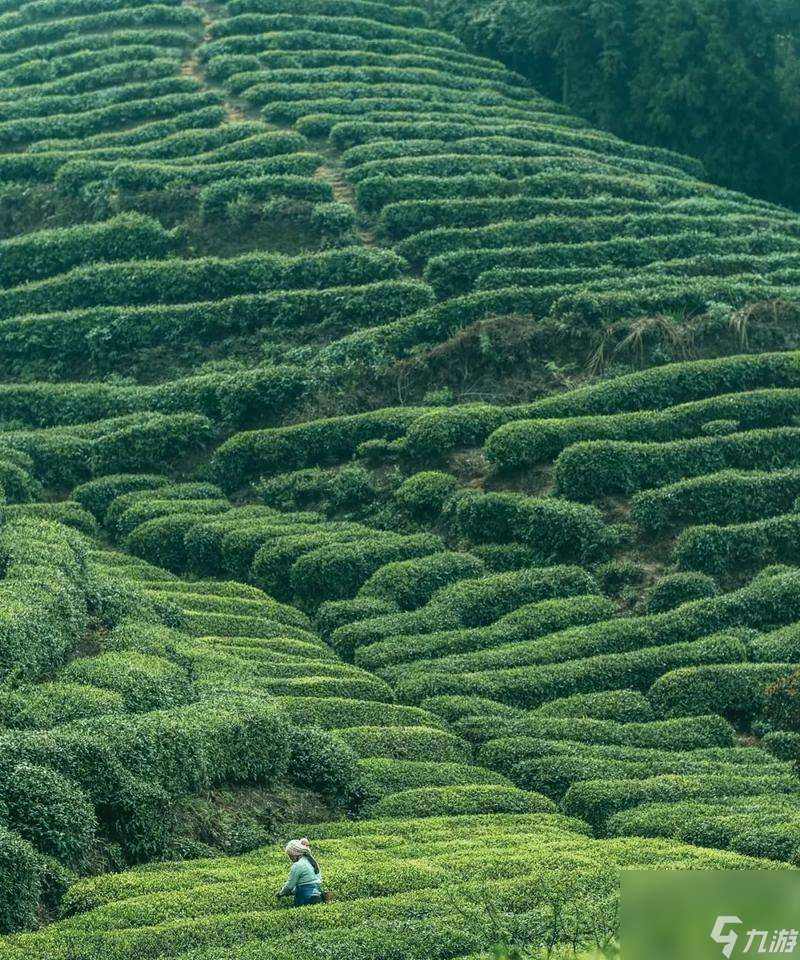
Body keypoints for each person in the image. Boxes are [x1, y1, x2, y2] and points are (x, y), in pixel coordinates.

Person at [277, 838, 323, 907]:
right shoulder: (312, 862)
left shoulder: (297, 865)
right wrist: (292, 892)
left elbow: (289, 886)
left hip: (304, 899)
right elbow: (310, 883)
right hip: (318, 897)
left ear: (294, 854)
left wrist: (280, 894)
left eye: (290, 855)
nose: (290, 858)